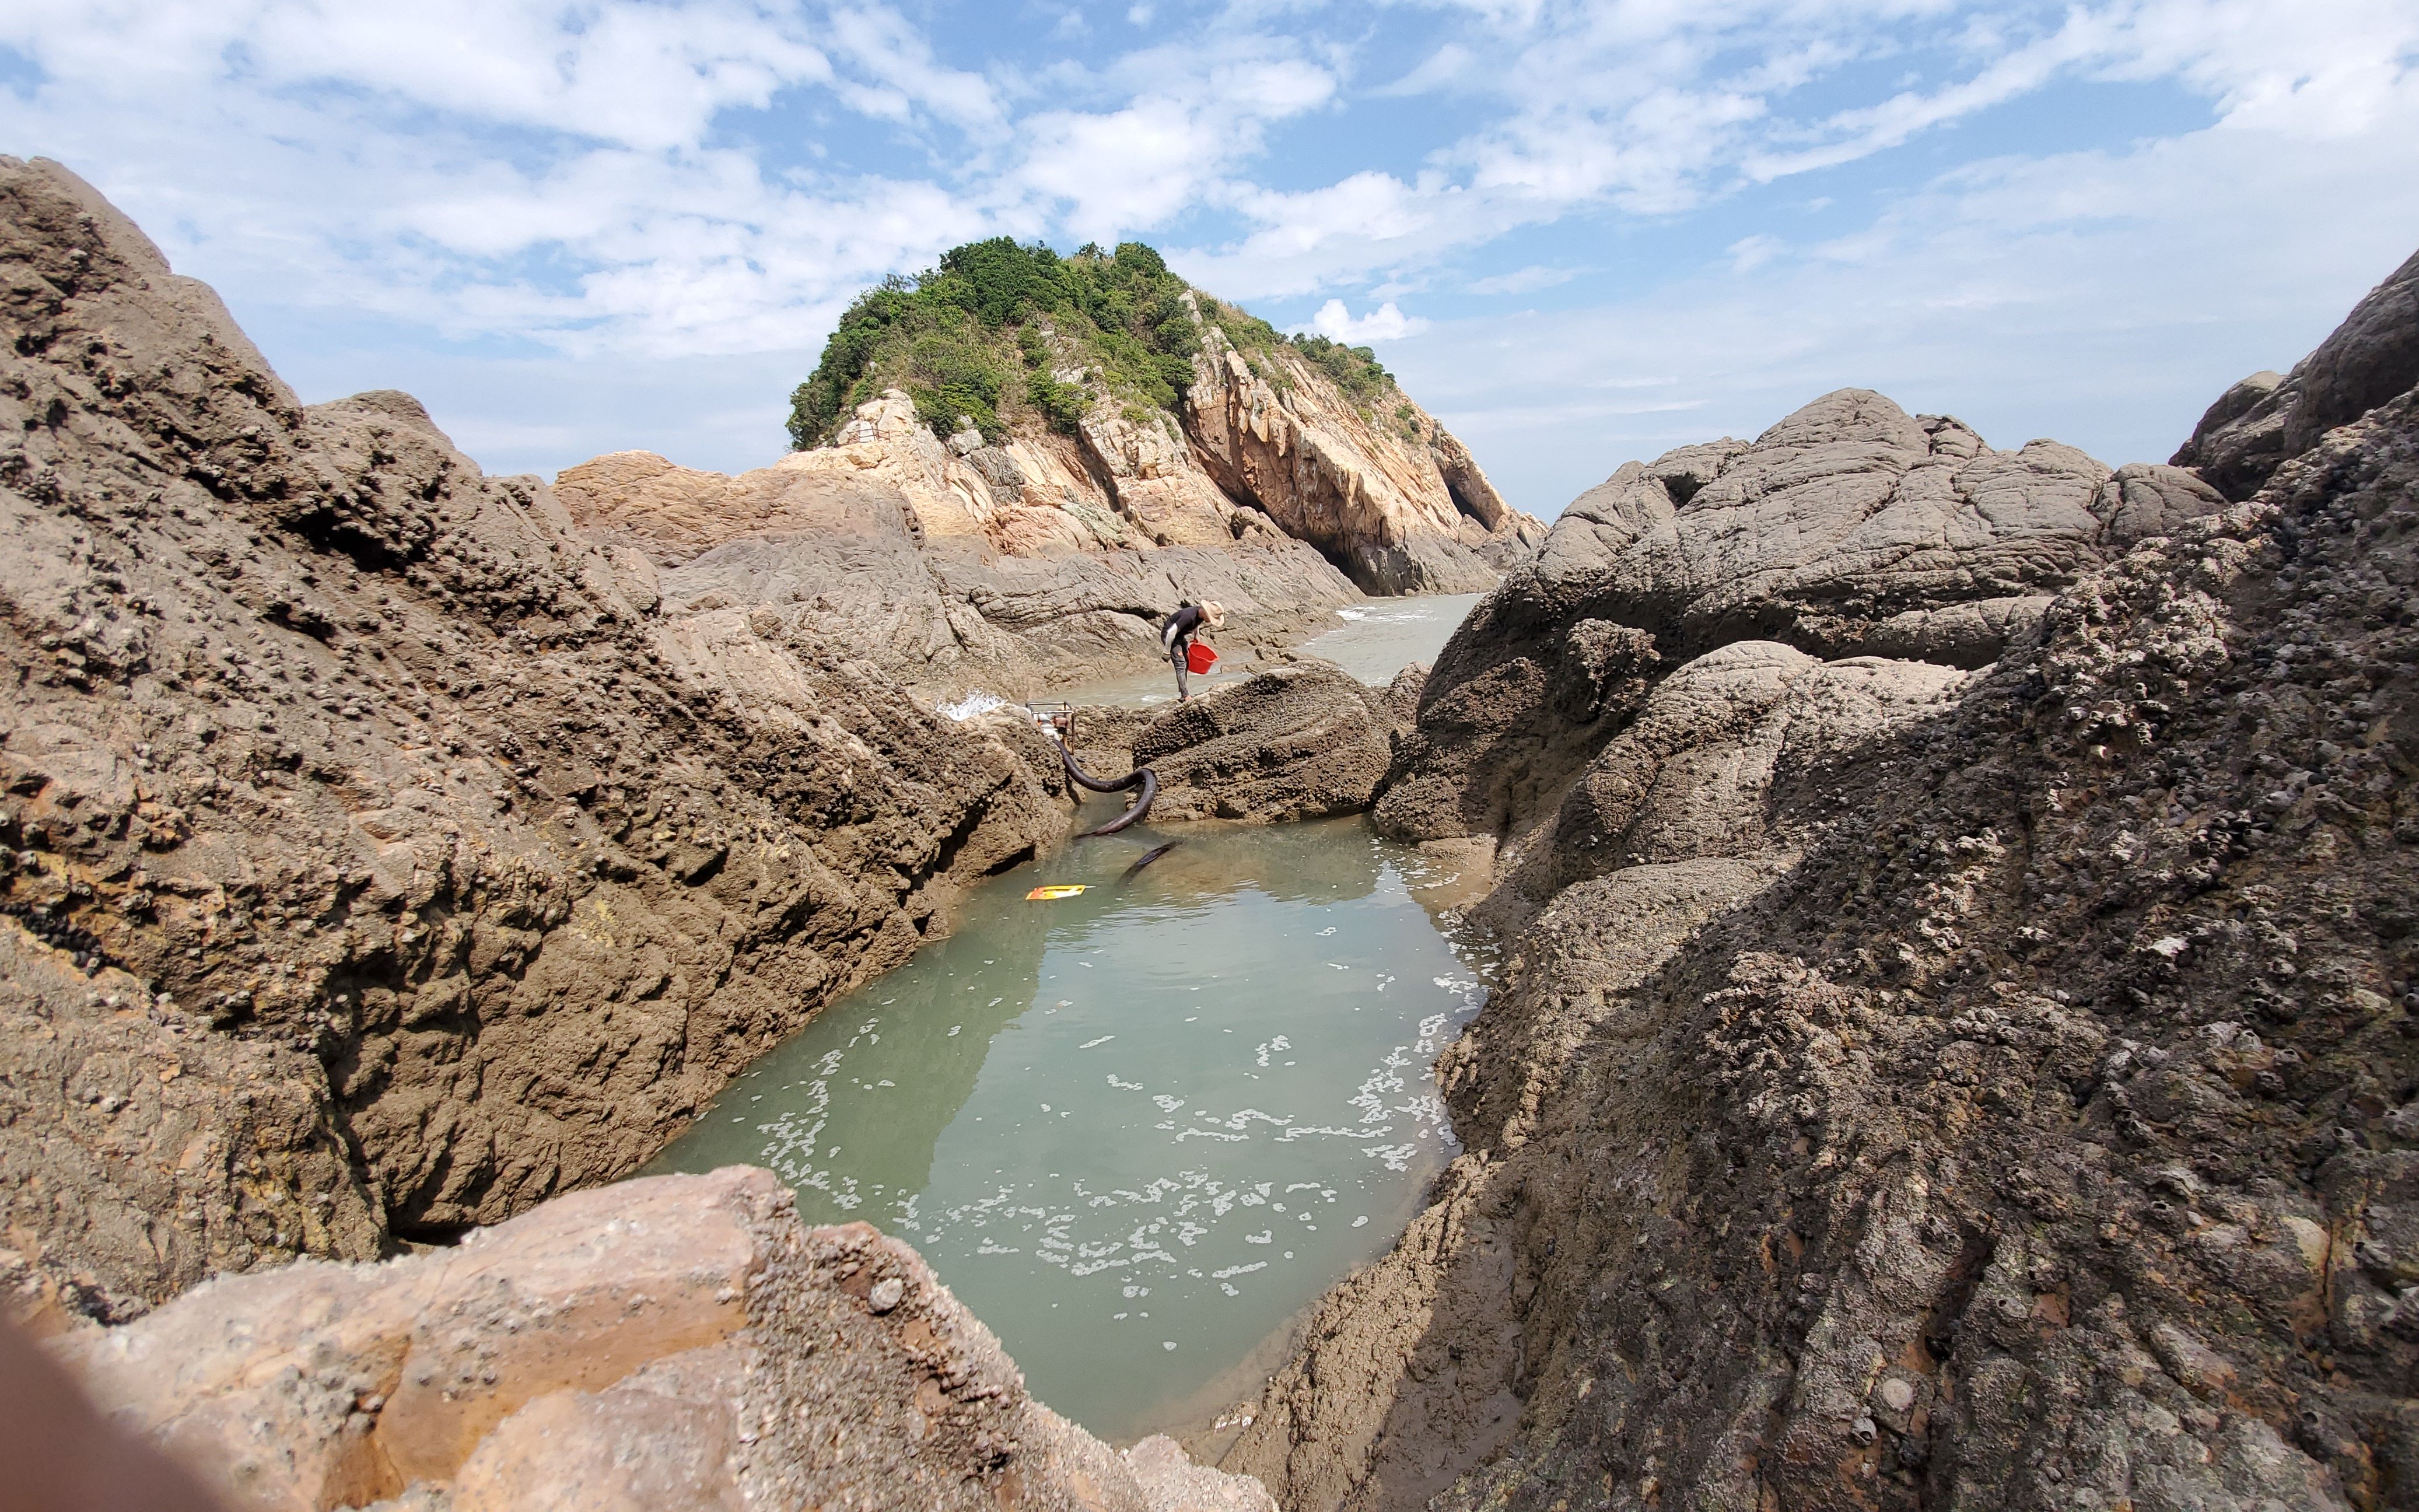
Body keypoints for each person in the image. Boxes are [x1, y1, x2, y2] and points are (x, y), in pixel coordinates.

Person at [1159, 599, 1224, 701]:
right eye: (1211, 618)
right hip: (1170, 636)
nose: (1210, 621)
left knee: (1187, 663)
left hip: (1180, 636)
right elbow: (1171, 632)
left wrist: (1197, 635)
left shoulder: (1201, 615)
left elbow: (1197, 624)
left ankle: (1183, 692)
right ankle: (1185, 696)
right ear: (1206, 612)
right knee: (1181, 664)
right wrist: (1167, 651)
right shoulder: (1188, 617)